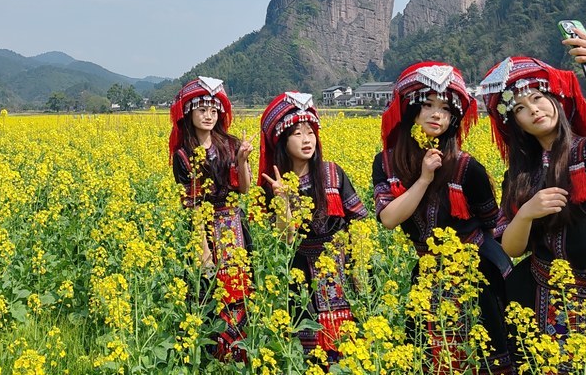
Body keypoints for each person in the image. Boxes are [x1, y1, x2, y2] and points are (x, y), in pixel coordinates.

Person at [480, 29, 586, 374]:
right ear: (515, 124)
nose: (533, 110)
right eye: (520, 108)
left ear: (556, 99)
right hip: (542, 297)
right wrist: (527, 214)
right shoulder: (518, 178)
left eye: (537, 98)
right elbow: (512, 247)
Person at [373, 62, 514, 374]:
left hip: (475, 276)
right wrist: (423, 179)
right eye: (427, 105)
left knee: (482, 358)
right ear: (412, 109)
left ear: (453, 120)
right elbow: (389, 219)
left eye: (445, 109)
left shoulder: (467, 167)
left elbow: (495, 226)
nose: (436, 114)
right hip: (426, 275)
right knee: (429, 358)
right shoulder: (387, 163)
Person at [258, 91, 367, 361]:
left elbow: (358, 221)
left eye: (310, 131)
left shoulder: (332, 172)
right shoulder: (274, 183)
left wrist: (360, 270)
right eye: (297, 133)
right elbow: (286, 239)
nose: (307, 139)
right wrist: (282, 200)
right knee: (310, 352)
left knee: (348, 348)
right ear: (283, 140)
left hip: (341, 269)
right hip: (301, 272)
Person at [169, 76, 253, 362]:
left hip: (233, 226)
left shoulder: (231, 144)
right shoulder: (183, 155)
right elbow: (192, 205)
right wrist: (203, 249)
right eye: (202, 109)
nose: (208, 115)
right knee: (206, 289)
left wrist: (242, 161)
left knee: (238, 287)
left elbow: (244, 189)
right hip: (203, 227)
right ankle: (212, 357)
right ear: (189, 113)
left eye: (213, 110)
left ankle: (238, 354)